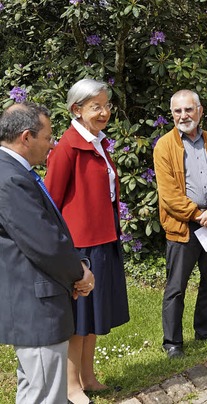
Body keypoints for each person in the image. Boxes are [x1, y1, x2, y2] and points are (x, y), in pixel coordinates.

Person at [0, 102, 94, 403]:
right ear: (26, 137)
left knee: (38, 388)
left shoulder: (14, 171)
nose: (53, 144)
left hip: (37, 302)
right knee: (43, 394)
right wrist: (80, 274)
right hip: (35, 306)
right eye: (48, 137)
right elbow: (45, 244)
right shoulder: (9, 179)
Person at [44, 79, 130, 403]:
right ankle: (71, 387)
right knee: (78, 320)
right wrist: (64, 249)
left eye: (106, 105)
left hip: (104, 239)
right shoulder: (67, 147)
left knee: (92, 318)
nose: (105, 112)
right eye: (97, 107)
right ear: (76, 110)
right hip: (80, 246)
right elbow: (51, 202)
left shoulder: (99, 143)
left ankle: (89, 377)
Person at [153, 90, 207, 359]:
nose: (183, 116)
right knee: (176, 286)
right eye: (177, 111)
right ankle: (173, 342)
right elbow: (168, 195)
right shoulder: (164, 146)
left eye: (188, 110)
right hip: (184, 225)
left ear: (200, 112)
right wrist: (199, 215)